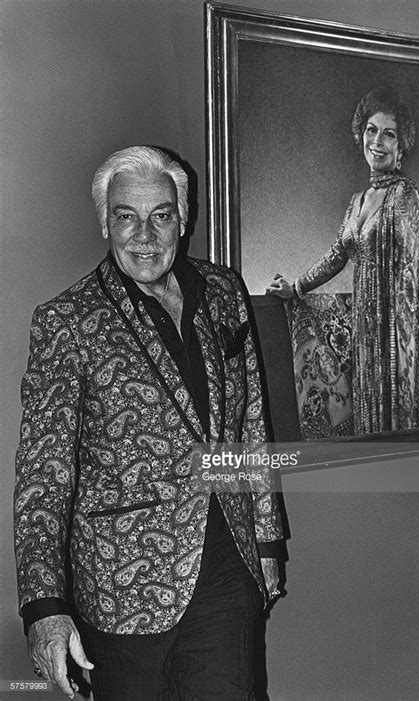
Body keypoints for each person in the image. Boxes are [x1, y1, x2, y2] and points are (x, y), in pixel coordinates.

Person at [14, 146, 284, 700]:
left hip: (225, 570)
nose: (144, 234)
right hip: (120, 589)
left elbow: (251, 421)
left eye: (160, 215)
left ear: (181, 219)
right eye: (125, 216)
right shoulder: (68, 322)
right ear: (105, 221)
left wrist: (267, 537)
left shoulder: (224, 294)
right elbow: (44, 477)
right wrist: (43, 609)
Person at [267, 85, 419, 435]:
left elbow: (417, 270)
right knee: (368, 422)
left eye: (388, 134)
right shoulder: (357, 201)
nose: (377, 141)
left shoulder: (404, 196)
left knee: (396, 422)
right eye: (371, 130)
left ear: (401, 145)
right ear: (360, 134)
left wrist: (402, 342)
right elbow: (338, 254)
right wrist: (297, 286)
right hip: (365, 330)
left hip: (396, 334)